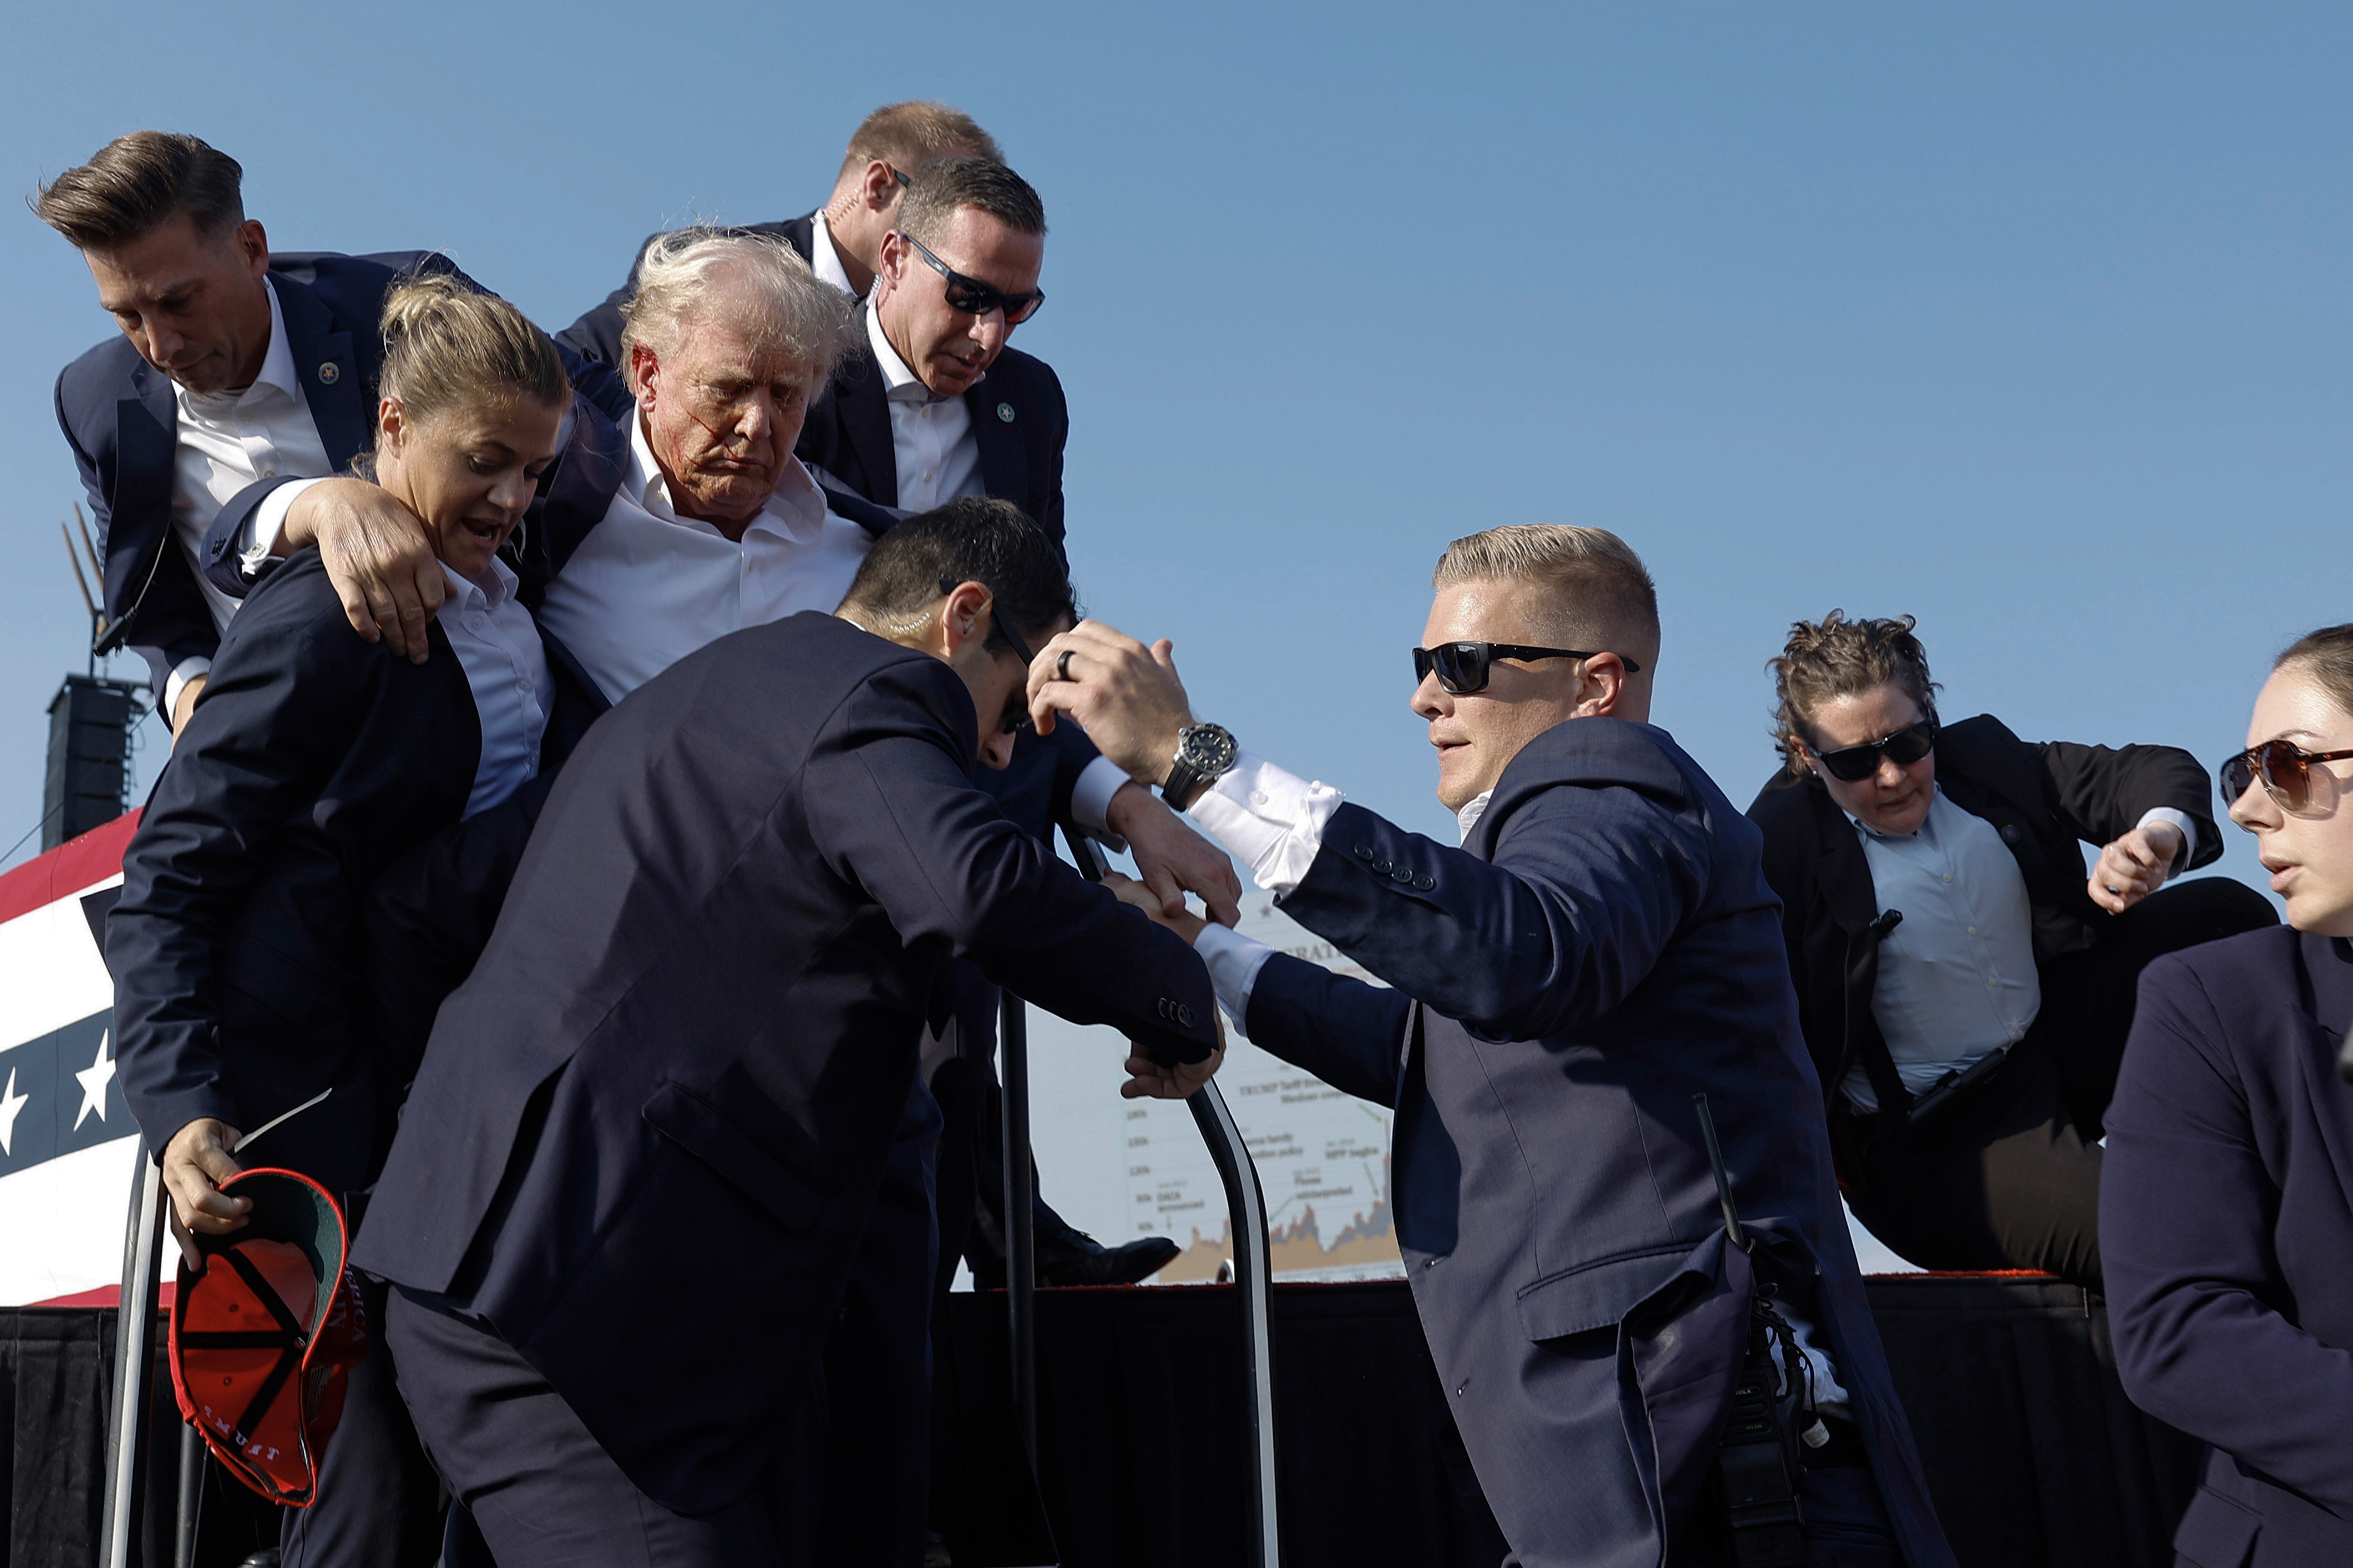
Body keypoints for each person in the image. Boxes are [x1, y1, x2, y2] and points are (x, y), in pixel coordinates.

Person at [1028, 526, 1953, 1568]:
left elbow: (1519, 957)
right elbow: (1432, 1048)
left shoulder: (1613, 785)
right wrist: (1212, 958)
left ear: (1596, 684)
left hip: (1728, 1487)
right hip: (1664, 1485)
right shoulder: (1569, 861)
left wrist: (1199, 767)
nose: (1427, 698)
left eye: (1462, 667)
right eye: (1422, 667)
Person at [349, 505, 1221, 1568]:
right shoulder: (873, 696)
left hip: (554, 1279)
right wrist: (1173, 993)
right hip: (569, 1294)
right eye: (1013, 710)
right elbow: (975, 892)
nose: (999, 757)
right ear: (963, 617)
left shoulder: (721, 691)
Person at [106, 279, 586, 1568]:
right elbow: (169, 874)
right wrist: (180, 1102)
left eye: (535, 473)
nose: (511, 501)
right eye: (483, 463)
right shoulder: (327, 614)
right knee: (361, 1499)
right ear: (389, 425)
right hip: (317, 1117)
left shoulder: (505, 591)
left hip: (445, 1100)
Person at [37, 130, 628, 733]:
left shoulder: (399, 303)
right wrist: (191, 689)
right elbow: (151, 600)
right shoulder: (93, 401)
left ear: (252, 248)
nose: (161, 346)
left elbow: (574, 397)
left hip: (490, 712)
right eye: (127, 316)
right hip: (286, 760)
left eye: (180, 302)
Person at [1747, 614, 2272, 1286]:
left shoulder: (1984, 760)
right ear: (1804, 754)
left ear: (1929, 716)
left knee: (2227, 918)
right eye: (1852, 760)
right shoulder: (1772, 848)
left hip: (2048, 1050)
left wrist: (2156, 839)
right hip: (1938, 1149)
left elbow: (2146, 772)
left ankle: (2257, 1135)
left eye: (1906, 743)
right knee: (2175, 1235)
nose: (1889, 776)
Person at [2103, 624, 2353, 1566]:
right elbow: (2176, 1325)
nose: (2249, 808)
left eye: (2285, 766)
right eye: (2240, 773)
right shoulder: (2208, 1003)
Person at [558, 100, 999, 363]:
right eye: (944, 204)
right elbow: (573, 371)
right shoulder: (711, 265)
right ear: (879, 186)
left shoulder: (944, 349)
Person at [794, 156, 1063, 537]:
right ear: (894, 259)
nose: (989, 336)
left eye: (1017, 306)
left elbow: (1044, 583)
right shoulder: (803, 366)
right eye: (969, 295)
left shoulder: (1033, 399)